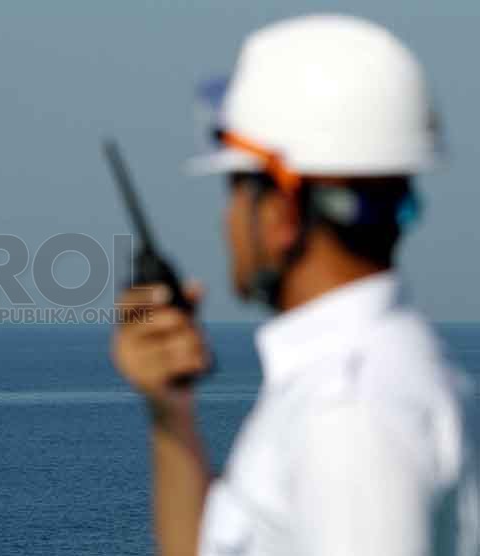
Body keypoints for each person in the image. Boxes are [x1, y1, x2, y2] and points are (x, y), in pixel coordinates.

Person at [112, 13, 479, 556]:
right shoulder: (372, 373)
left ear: (282, 212)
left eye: (236, 189)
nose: (228, 220)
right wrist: (171, 412)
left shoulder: (349, 413)